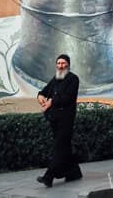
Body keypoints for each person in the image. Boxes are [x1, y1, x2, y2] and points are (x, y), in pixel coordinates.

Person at [36, 54, 82, 187]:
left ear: (68, 65)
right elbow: (44, 91)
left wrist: (51, 102)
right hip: (55, 120)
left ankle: (48, 177)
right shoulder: (55, 79)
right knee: (65, 147)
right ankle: (74, 172)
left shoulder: (73, 79)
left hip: (66, 120)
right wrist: (40, 96)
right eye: (59, 63)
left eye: (63, 63)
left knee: (59, 147)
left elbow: (68, 98)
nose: (61, 66)